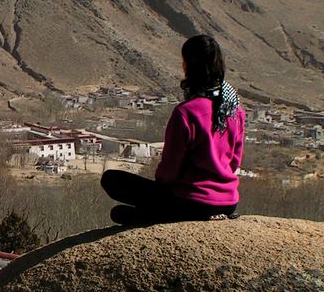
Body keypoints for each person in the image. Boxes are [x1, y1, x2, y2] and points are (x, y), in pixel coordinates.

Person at [101, 34, 245, 225]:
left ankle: (156, 214)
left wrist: (160, 191)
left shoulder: (186, 113)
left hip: (190, 201)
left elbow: (169, 170)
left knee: (112, 180)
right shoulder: (235, 111)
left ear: (190, 66)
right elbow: (234, 163)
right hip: (228, 202)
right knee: (123, 212)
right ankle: (154, 214)